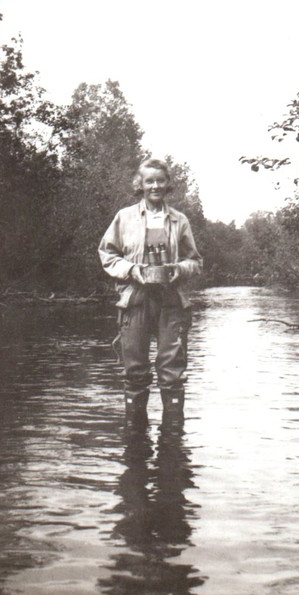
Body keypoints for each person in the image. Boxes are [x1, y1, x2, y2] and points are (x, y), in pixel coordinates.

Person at [99, 157, 203, 420]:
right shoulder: (124, 218)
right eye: (149, 181)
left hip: (172, 300)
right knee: (134, 372)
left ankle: (173, 443)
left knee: (172, 372)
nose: (155, 186)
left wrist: (179, 270)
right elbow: (107, 255)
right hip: (135, 299)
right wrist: (133, 270)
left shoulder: (180, 220)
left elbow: (196, 261)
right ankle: (135, 442)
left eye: (160, 180)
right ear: (140, 185)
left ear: (168, 184)